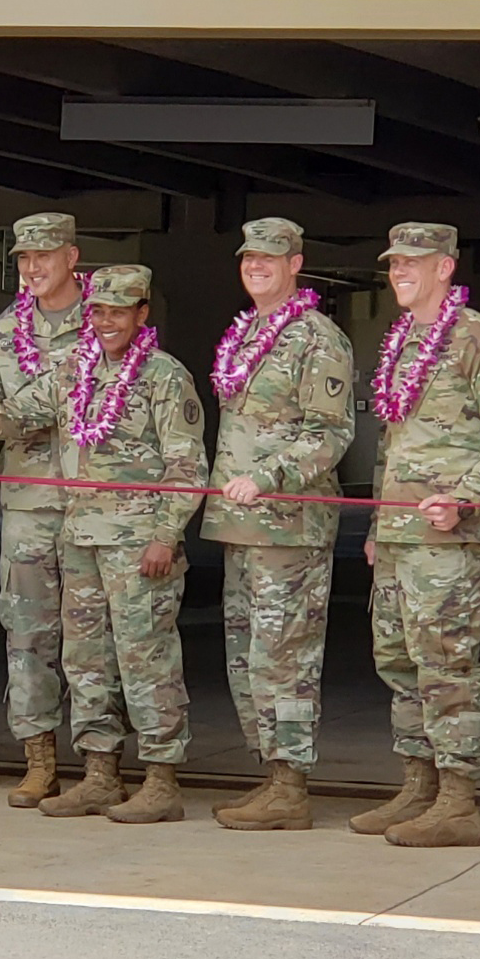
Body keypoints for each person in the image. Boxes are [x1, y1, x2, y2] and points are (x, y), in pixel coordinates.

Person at [0, 264, 206, 824]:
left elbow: (188, 467)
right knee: (87, 662)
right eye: (98, 311)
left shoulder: (165, 377)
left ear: (142, 316)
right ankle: (100, 774)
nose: (107, 322)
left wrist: (167, 535)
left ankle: (161, 779)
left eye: (119, 312)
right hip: (80, 541)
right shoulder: (77, 371)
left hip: (139, 547)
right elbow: (14, 415)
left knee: (146, 660)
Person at [357, 222, 480, 848]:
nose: (400, 271)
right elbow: (394, 445)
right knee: (398, 661)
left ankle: (458, 800)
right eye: (394, 263)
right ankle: (418, 786)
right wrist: (380, 522)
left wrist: (466, 499)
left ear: (446, 268)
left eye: (414, 261)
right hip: (400, 533)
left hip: (448, 537)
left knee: (446, 664)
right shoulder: (402, 341)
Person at [201, 218, 355, 831]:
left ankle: (290, 783)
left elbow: (330, 433)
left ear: (297, 263)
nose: (257, 266)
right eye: (249, 258)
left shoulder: (318, 338)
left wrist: (270, 476)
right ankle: (268, 773)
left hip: (287, 526)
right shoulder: (247, 334)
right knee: (245, 657)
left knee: (284, 658)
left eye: (271, 257)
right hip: (240, 526)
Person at [0, 211, 87, 807]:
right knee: (27, 634)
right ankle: (39, 758)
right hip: (29, 502)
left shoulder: (108, 321)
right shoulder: (2, 333)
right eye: (23, 258)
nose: (33, 268)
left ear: (72, 258)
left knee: (95, 639)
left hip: (96, 504)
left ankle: (102, 761)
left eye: (44, 256)